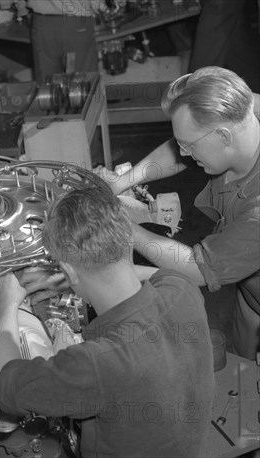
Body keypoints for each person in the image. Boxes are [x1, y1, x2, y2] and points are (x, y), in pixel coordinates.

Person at [0, 186, 215, 457]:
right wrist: (73, 279)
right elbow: (161, 276)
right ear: (127, 239)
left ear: (68, 270)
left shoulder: (95, 365)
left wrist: (6, 304)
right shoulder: (183, 291)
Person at [97, 67, 260, 360]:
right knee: (240, 365)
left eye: (189, 145)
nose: (183, 153)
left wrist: (121, 225)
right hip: (249, 295)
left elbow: (198, 269)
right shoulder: (244, 109)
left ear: (223, 137)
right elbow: (178, 148)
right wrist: (121, 182)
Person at [0, 0, 107, 83]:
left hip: (42, 23)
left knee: (47, 86)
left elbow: (7, 4)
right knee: (81, 84)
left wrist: (19, 7)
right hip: (75, 24)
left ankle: (52, 111)